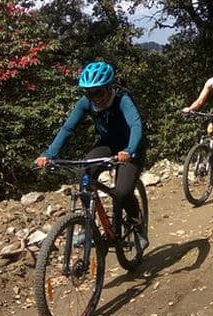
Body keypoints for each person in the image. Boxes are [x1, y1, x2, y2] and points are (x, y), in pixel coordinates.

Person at [35, 60, 149, 250]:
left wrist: (129, 151)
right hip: (107, 144)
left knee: (122, 192)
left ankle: (137, 226)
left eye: (99, 92)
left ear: (109, 87)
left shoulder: (122, 99)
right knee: (85, 177)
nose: (95, 97)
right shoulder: (86, 103)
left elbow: (136, 125)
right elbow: (67, 128)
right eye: (89, 93)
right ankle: (89, 224)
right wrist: (49, 153)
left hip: (130, 147)